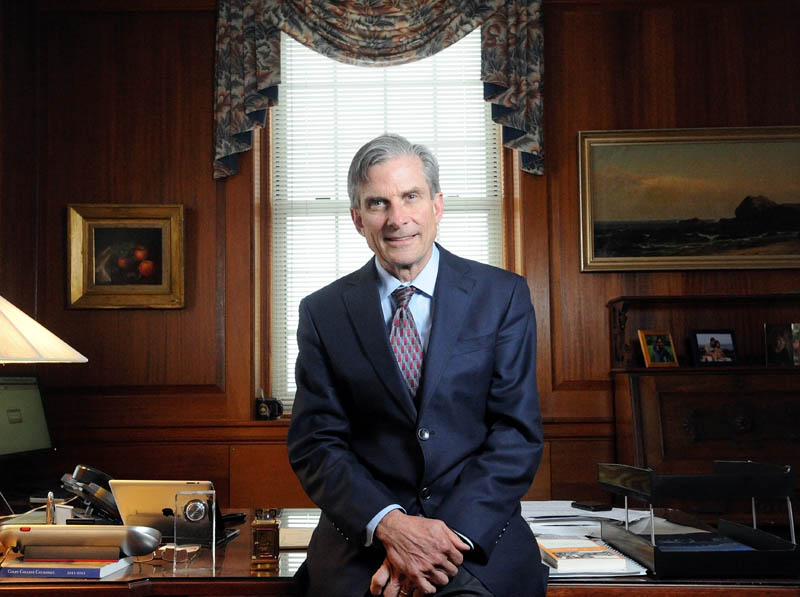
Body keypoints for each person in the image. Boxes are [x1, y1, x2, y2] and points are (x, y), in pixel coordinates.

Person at [287, 134, 547, 597]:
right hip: (361, 542)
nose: (397, 218)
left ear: (437, 205)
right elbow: (317, 443)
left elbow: (515, 432)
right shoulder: (322, 312)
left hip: (477, 538)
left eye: (411, 197)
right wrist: (390, 525)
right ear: (356, 219)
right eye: (377, 203)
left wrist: (443, 540)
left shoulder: (502, 296)